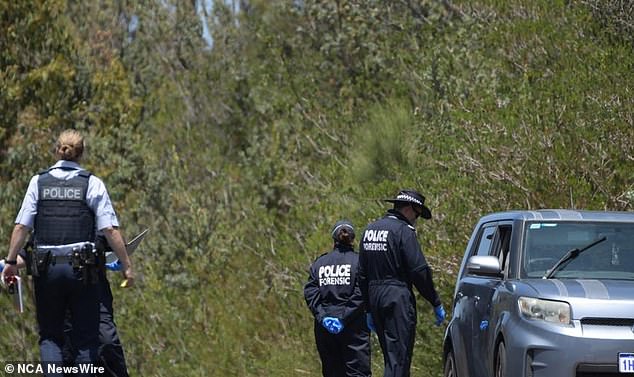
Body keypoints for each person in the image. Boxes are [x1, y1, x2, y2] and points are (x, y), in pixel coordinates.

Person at [3, 129, 134, 376]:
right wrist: (126, 264)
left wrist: (10, 260)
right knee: (86, 339)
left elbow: (22, 226)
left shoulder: (38, 182)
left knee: (51, 337)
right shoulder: (91, 183)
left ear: (57, 150)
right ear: (81, 154)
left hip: (46, 270)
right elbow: (109, 229)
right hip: (81, 271)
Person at [358, 189, 446, 377]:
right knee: (400, 357)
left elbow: (362, 274)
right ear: (409, 208)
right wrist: (435, 300)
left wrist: (367, 308)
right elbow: (418, 270)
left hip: (375, 297)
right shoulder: (403, 231)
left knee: (391, 357)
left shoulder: (369, 231)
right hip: (397, 296)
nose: (416, 219)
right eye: (417, 214)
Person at [304, 220, 371, 377]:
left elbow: (310, 292)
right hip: (353, 325)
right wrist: (344, 318)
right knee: (358, 373)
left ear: (333, 239)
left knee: (331, 371)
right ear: (353, 239)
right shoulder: (359, 261)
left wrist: (323, 317)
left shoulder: (319, 263)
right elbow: (361, 292)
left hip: (325, 327)